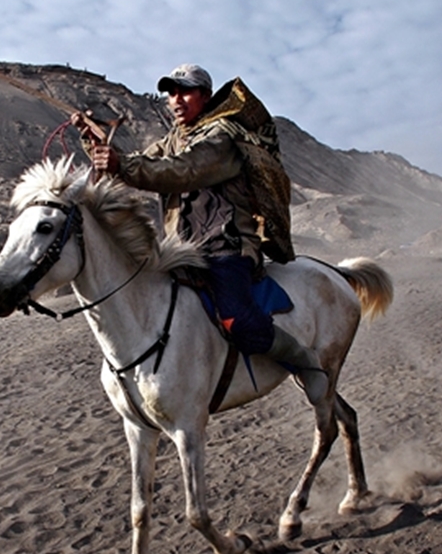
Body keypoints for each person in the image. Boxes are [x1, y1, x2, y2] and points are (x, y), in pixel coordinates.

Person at [72, 64, 328, 405]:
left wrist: (123, 166)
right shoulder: (174, 139)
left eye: (185, 92)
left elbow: (181, 171)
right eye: (171, 93)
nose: (176, 100)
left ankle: (305, 362)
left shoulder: (222, 137)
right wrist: (94, 142)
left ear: (205, 96)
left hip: (226, 248)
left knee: (238, 321)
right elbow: (138, 162)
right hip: (181, 250)